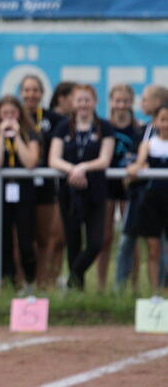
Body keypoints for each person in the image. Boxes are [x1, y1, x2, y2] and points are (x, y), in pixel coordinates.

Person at [49, 84, 114, 290]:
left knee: (96, 242)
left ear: (95, 102)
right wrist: (72, 170)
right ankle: (77, 290)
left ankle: (71, 278)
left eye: (88, 100)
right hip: (70, 193)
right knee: (73, 242)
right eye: (80, 100)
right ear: (73, 103)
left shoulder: (104, 126)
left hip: (95, 191)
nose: (84, 104)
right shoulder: (63, 126)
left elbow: (104, 159)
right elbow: (54, 159)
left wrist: (84, 167)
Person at [116, 84, 168, 291]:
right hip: (145, 199)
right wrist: (137, 166)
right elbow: (135, 163)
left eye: (145, 99)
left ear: (157, 103)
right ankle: (123, 291)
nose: (141, 103)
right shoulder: (145, 135)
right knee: (133, 242)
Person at [0, 95, 40, 291]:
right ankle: (9, 283)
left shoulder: (29, 132)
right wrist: (2, 136)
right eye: (5, 114)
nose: (9, 117)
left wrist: (17, 136)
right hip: (1, 193)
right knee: (4, 240)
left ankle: (29, 283)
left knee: (26, 241)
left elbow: (30, 162)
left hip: (24, 191)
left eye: (13, 113)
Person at [19, 74, 65, 290]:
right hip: (19, 185)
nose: (31, 94)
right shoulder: (13, 116)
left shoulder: (52, 118)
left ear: (42, 93)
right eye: (27, 90)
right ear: (21, 93)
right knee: (21, 238)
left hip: (45, 185)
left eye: (35, 90)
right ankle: (20, 284)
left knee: (46, 237)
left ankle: (44, 282)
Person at [96, 84, 141, 291]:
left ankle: (132, 286)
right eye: (117, 101)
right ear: (111, 102)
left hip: (130, 188)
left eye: (125, 101)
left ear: (131, 103)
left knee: (131, 238)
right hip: (107, 187)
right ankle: (101, 286)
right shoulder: (104, 127)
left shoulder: (138, 128)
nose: (121, 105)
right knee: (104, 238)